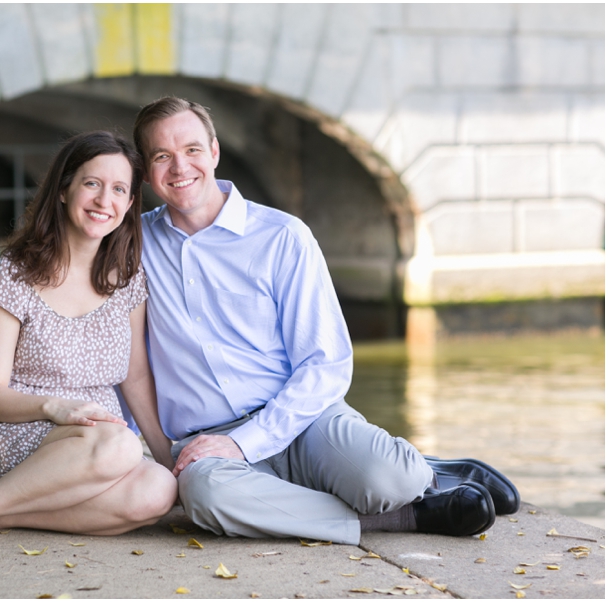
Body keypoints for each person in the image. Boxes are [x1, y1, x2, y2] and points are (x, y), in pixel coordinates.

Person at [131, 96, 519, 544]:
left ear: (215, 152)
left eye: (192, 150)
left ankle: (424, 474)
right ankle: (407, 517)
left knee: (388, 480)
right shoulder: (133, 247)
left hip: (300, 419)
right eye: (162, 156)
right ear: (146, 170)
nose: (180, 167)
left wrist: (250, 439)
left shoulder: (283, 237)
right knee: (205, 496)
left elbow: (326, 363)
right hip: (209, 442)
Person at [0, 131, 177, 540]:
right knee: (121, 445)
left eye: (119, 189)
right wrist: (55, 408)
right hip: (19, 429)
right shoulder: (17, 273)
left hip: (98, 447)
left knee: (159, 489)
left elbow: (135, 376)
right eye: (92, 183)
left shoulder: (127, 276)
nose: (105, 200)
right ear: (64, 190)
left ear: (130, 204)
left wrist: (167, 458)